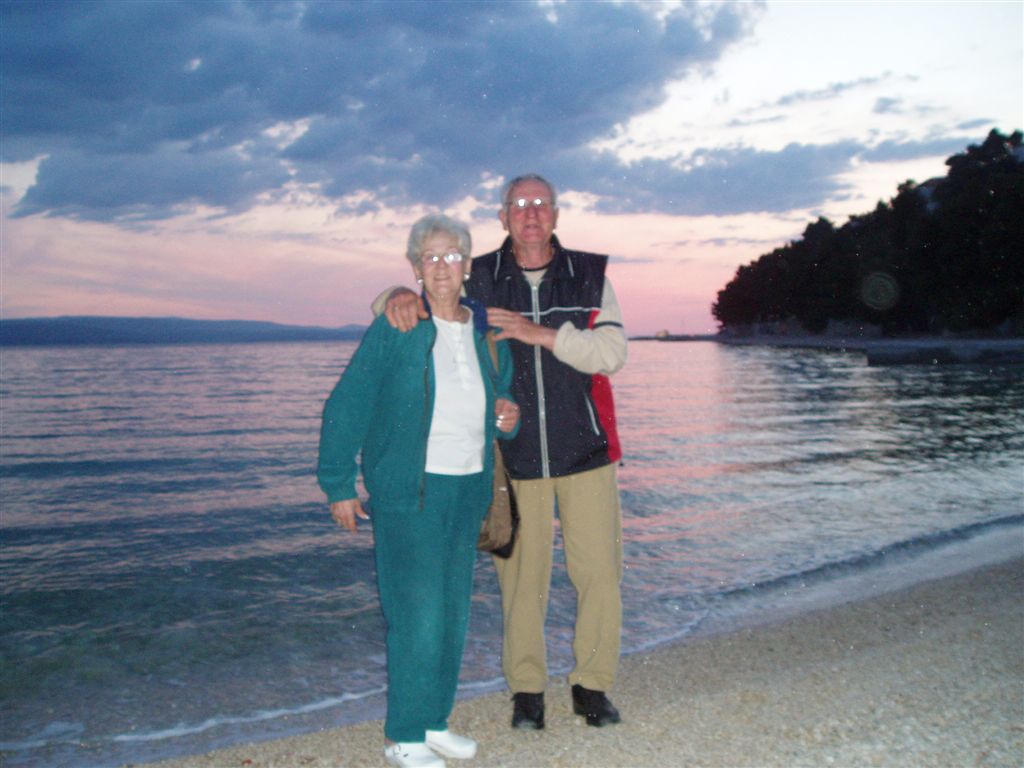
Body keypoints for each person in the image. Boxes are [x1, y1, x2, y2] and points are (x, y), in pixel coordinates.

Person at [381, 174, 628, 730]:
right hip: (512, 457)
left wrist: (542, 334)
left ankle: (592, 686)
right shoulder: (481, 278)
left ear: (556, 214)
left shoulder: (591, 275)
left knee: (599, 574)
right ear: (502, 217)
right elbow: (425, 303)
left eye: (541, 204)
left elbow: (612, 353)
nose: (531, 213)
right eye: (519, 205)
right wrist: (395, 296)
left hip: (588, 450)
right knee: (520, 583)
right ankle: (527, 692)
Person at [318, 214, 520, 768]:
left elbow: (502, 402)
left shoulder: (484, 333)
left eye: (451, 255)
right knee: (418, 613)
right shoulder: (398, 324)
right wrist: (338, 483)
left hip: (469, 486)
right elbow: (348, 403)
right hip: (411, 491)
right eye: (430, 257)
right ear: (414, 268)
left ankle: (433, 721)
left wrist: (508, 417)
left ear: (467, 265)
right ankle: (403, 737)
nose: (441, 267)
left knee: (452, 611)